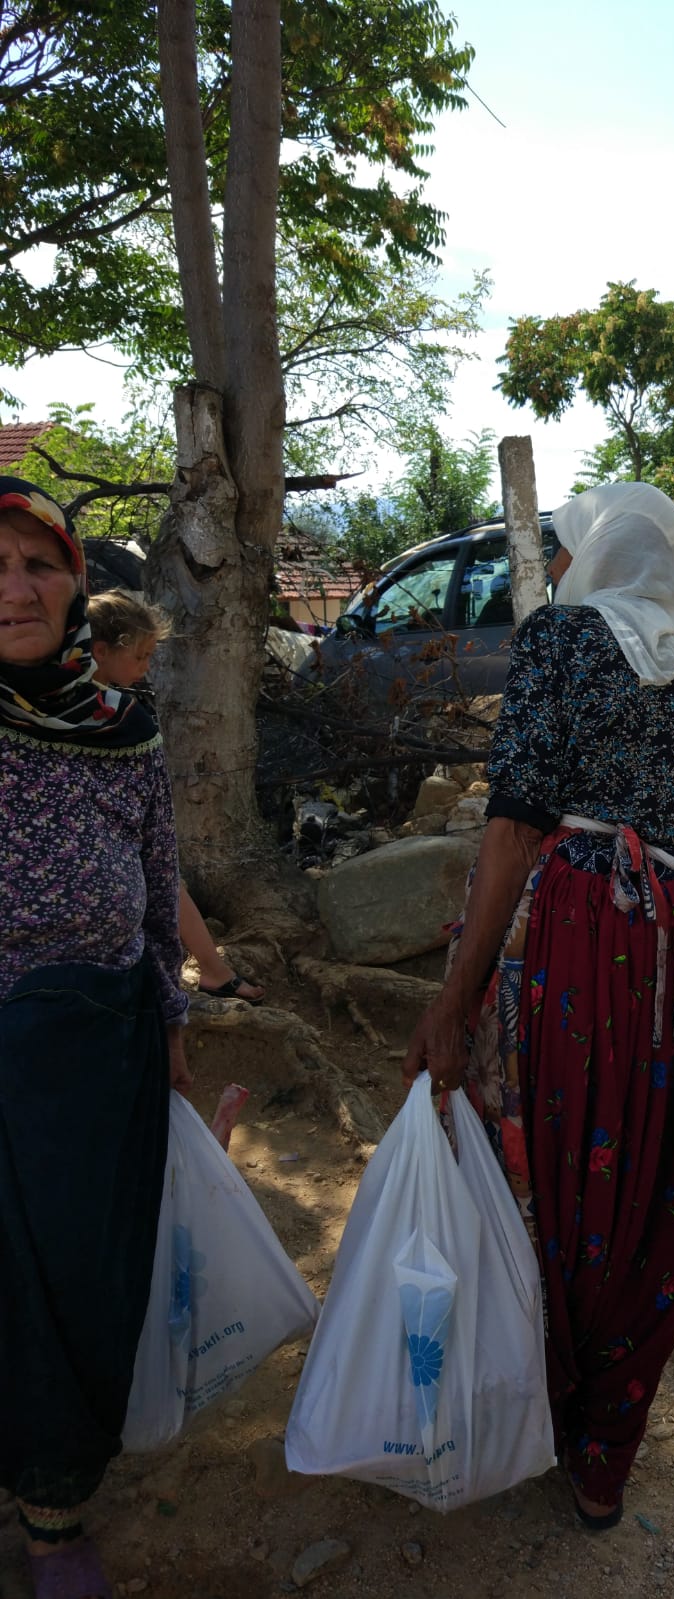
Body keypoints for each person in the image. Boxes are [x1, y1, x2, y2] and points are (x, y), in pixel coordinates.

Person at [403, 481, 674, 1529]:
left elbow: (512, 830)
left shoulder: (556, 641)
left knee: (561, 1172)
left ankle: (545, 1407)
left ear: (593, 559)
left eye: (564, 550)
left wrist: (455, 1000)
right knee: (653, 1179)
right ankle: (605, 1453)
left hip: (572, 942)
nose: (557, 567)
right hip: (666, 947)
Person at [0, 478, 190, 1599]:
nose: (15, 589)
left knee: (87, 1279)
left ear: (78, 583)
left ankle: (56, 1507)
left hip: (105, 1039)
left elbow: (159, 878)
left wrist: (171, 1018)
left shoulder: (123, 723)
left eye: (38, 563)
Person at [87, 590, 265, 1005]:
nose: (147, 668)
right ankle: (211, 970)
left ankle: (213, 967)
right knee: (166, 879)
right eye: (141, 656)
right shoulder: (98, 716)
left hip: (130, 844)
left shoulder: (115, 710)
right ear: (100, 651)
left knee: (168, 878)